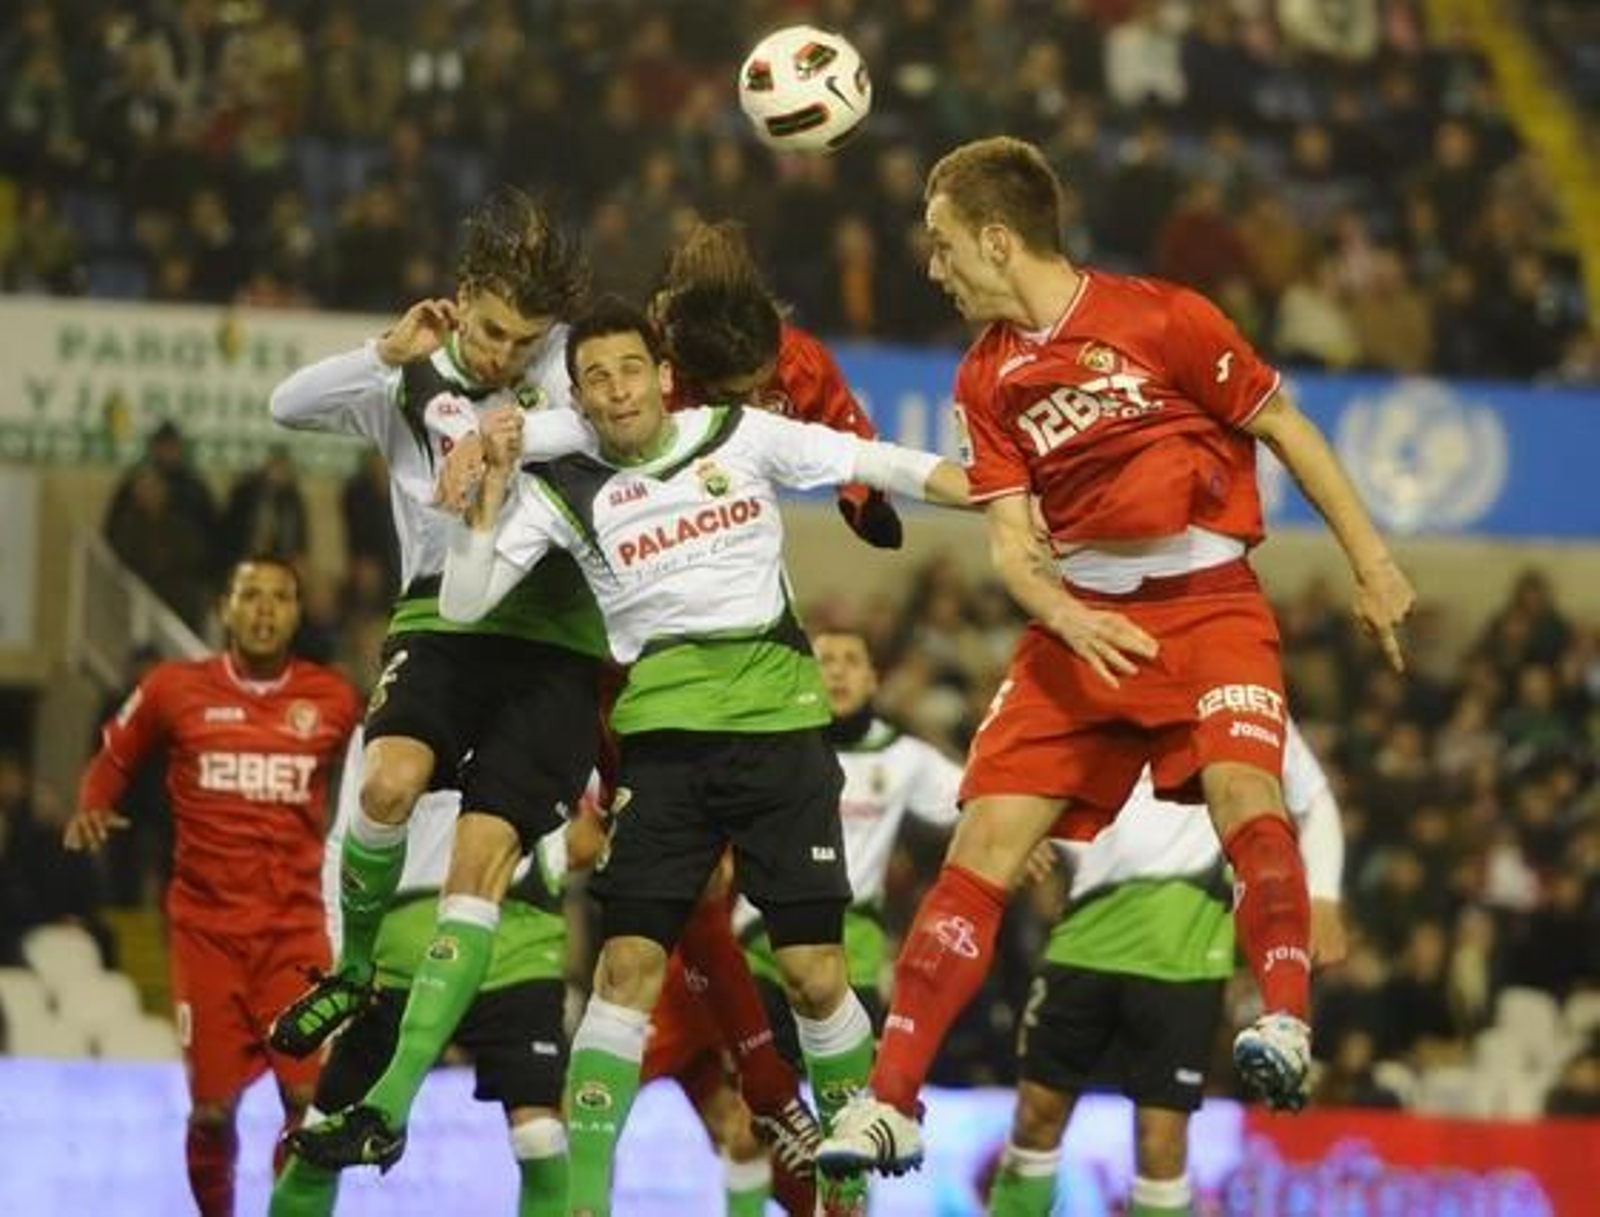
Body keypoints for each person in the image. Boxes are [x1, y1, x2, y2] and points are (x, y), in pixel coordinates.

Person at [818, 135, 1415, 1176]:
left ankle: (1280, 1020)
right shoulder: (985, 375)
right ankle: (891, 1099)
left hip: (1208, 600)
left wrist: (1371, 564)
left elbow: (1287, 428)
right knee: (985, 838)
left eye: (942, 242)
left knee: (1244, 794)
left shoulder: (1164, 317)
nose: (932, 265)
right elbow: (1008, 537)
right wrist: (1060, 607)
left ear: (997, 240)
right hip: (1078, 619)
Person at [421, 297, 969, 1215]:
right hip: (664, 756)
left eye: (630, 367)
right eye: (594, 378)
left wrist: (1003, 495)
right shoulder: (566, 488)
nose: (615, 388)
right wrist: (481, 507)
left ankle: (847, 1180)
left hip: (781, 737)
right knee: (625, 969)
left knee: (815, 975)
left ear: (662, 373)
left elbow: (878, 461)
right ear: (582, 400)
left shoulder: (739, 434)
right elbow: (468, 606)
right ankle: (587, 1199)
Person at [264, 185, 606, 1177]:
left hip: (545, 630)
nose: (505, 353)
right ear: (459, 302)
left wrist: (505, 433)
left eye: (525, 337)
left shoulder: (559, 373)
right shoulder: (406, 381)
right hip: (437, 616)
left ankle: (389, 1088)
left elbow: (609, 423)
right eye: (493, 331)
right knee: (383, 785)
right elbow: (284, 405)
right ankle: (356, 967)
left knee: (481, 860)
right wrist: (386, 350)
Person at [63, 557, 362, 1217]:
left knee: (308, 1104)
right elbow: (116, 750)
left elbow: (388, 761)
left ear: (297, 612)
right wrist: (93, 800)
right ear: (225, 608)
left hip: (294, 934)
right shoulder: (174, 687)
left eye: (280, 597)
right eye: (249, 595)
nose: (264, 609)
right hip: (207, 936)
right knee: (210, 1112)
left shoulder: (334, 699)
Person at [987, 719, 1346, 1216]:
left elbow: (1314, 798)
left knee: (1162, 1142)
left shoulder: (1238, 687)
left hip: (1185, 956)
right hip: (1084, 938)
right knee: (1034, 1117)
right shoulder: (1103, 684)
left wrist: (1324, 896)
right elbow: (1043, 786)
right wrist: (1027, 836)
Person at [271, 730, 609, 1217]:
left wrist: (551, 858)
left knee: (540, 1136)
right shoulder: (393, 711)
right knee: (319, 1142)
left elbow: (600, 814)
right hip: (400, 954)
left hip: (515, 946)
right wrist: (345, 959)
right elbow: (348, 834)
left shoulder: (547, 693)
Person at [655, 219, 903, 549]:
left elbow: (851, 435)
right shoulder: (660, 374)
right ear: (700, 376)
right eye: (736, 395)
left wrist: (866, 503)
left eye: (763, 384)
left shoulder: (803, 362)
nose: (756, 404)